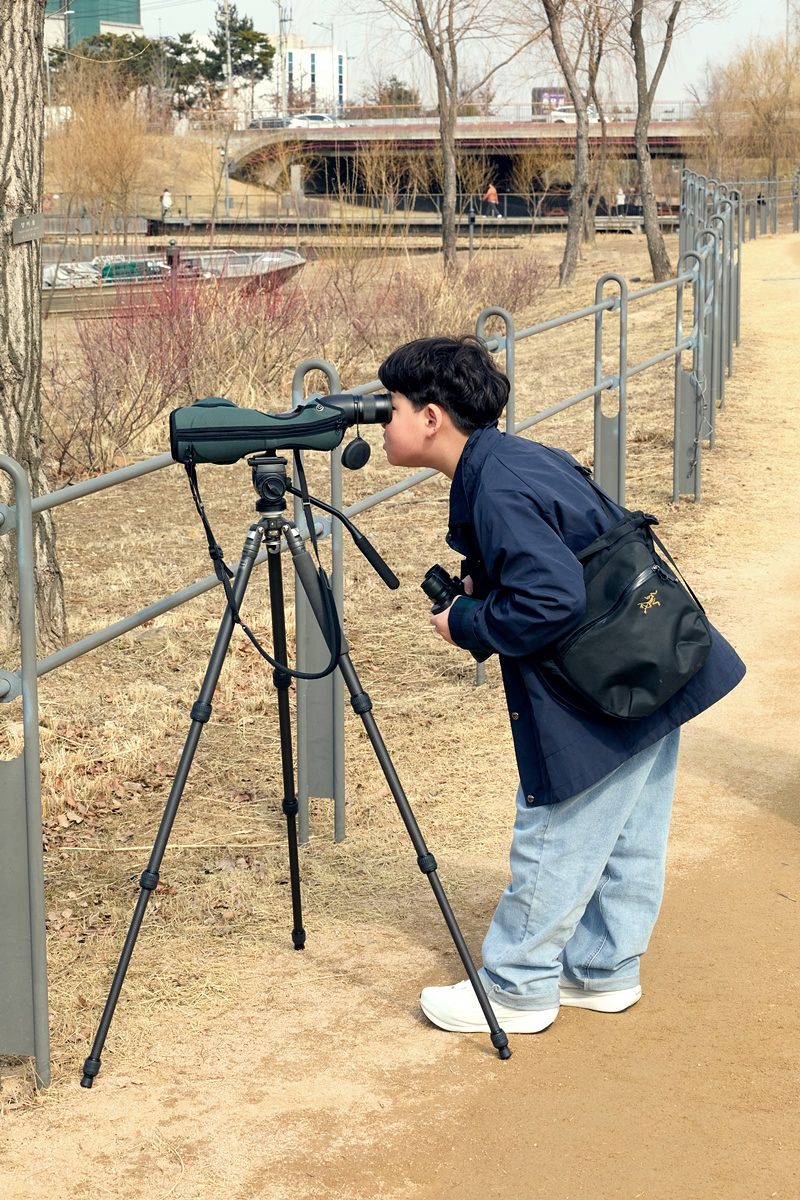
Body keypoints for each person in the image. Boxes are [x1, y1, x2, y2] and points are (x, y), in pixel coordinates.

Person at [376, 335, 745, 1036]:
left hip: (599, 683)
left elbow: (550, 598)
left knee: (557, 826)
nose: (379, 422)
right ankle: (604, 969)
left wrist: (469, 621)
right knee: (631, 830)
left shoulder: (496, 485)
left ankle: (517, 987)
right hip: (648, 660)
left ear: (430, 417)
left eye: (387, 406)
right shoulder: (514, 458)